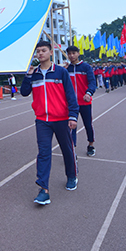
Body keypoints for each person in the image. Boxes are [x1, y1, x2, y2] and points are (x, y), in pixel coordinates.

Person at [21, 41, 79, 206]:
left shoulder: (61, 72)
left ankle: (72, 175)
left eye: (43, 51)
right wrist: (27, 76)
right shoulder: (34, 73)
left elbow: (70, 95)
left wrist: (73, 116)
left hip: (61, 119)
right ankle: (43, 190)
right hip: (42, 121)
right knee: (44, 153)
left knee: (67, 150)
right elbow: (24, 92)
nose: (40, 54)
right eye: (37, 51)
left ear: (51, 52)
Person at [65, 46, 98, 157]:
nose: (71, 56)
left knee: (88, 125)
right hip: (71, 104)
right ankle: (72, 150)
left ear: (78, 53)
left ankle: (91, 145)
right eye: (69, 54)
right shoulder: (66, 69)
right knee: (71, 126)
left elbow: (92, 83)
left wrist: (88, 93)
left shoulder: (86, 67)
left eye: (74, 53)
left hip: (84, 102)